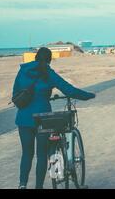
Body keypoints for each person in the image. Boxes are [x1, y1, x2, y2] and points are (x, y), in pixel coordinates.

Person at [12, 47, 96, 189]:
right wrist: (88, 95)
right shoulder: (48, 73)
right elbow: (68, 89)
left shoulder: (23, 71)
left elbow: (15, 94)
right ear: (49, 60)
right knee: (42, 155)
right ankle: (39, 187)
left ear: (35, 57)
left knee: (27, 154)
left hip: (23, 119)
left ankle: (22, 185)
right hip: (42, 120)